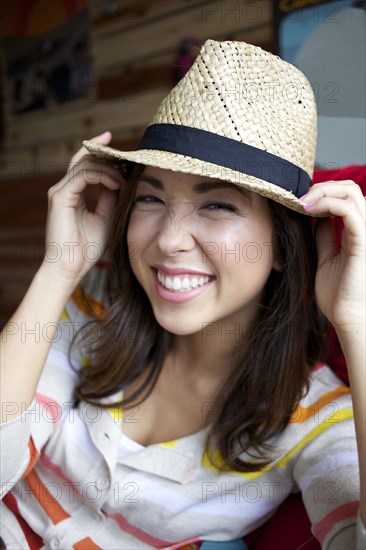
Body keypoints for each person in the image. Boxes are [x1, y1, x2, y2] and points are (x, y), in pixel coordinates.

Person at [0, 40, 365, 549]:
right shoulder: (92, 309)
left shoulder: (317, 414)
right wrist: (59, 270)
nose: (168, 240)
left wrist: (355, 326)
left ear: (284, 246)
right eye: (150, 197)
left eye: (217, 206)